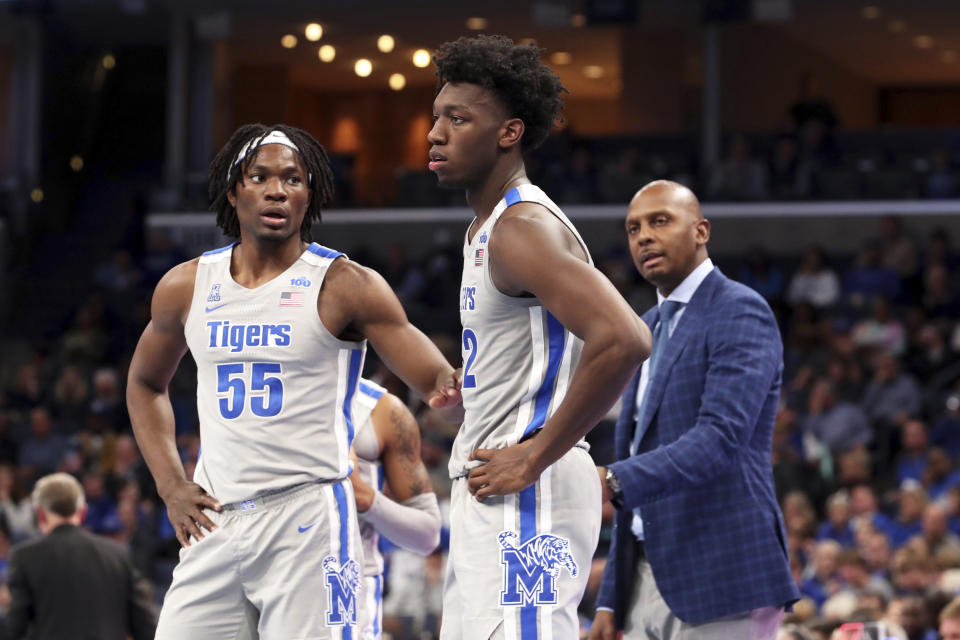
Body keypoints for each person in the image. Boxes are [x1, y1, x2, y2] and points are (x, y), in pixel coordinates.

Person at [126, 123, 461, 639]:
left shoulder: (347, 285)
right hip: (215, 518)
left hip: (307, 516)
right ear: (235, 189)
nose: (277, 189)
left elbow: (436, 379)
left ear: (312, 195)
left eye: (293, 178)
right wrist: (171, 485)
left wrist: (456, 388)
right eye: (260, 176)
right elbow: (146, 383)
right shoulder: (186, 285)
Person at [427, 35, 651, 639]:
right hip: (500, 485)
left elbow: (626, 338)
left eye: (458, 118)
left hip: (529, 487)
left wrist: (534, 453)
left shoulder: (520, 226)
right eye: (436, 117)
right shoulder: (488, 228)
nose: (435, 133)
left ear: (509, 133)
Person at [591, 180, 800, 639]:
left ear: (701, 230)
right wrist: (611, 597)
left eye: (659, 221)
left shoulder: (740, 310)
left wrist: (610, 480)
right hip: (645, 581)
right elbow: (636, 460)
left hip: (722, 572)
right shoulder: (643, 329)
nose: (643, 236)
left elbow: (719, 440)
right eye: (633, 229)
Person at [4, 472, 156, 639]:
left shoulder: (25, 557)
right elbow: (145, 627)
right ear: (82, 512)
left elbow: (14, 628)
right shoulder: (118, 555)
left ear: (40, 514)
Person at [348, 378, 443, 638]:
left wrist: (365, 497)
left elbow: (428, 536)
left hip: (344, 585)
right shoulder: (232, 400)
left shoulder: (381, 409)